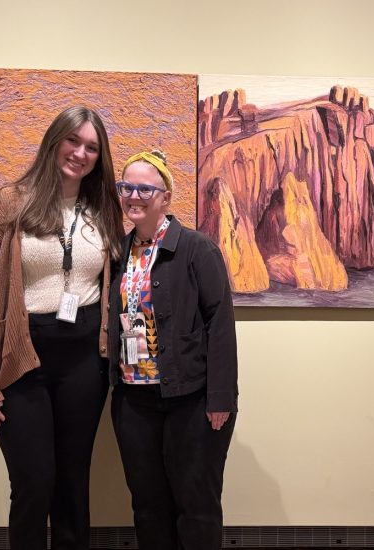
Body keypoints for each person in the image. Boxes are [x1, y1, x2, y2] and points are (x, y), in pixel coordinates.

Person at [0, 106, 124, 550]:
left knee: (72, 485)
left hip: (85, 361)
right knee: (33, 483)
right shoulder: (9, 203)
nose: (81, 153)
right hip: (21, 357)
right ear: (54, 141)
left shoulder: (104, 210)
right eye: (73, 141)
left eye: (92, 146)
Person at [107, 150, 238, 549]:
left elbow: (221, 324)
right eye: (126, 186)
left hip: (192, 402)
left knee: (196, 505)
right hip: (134, 402)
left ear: (165, 197)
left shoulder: (198, 250)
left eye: (145, 188)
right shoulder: (116, 253)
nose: (134, 195)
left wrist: (220, 398)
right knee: (148, 506)